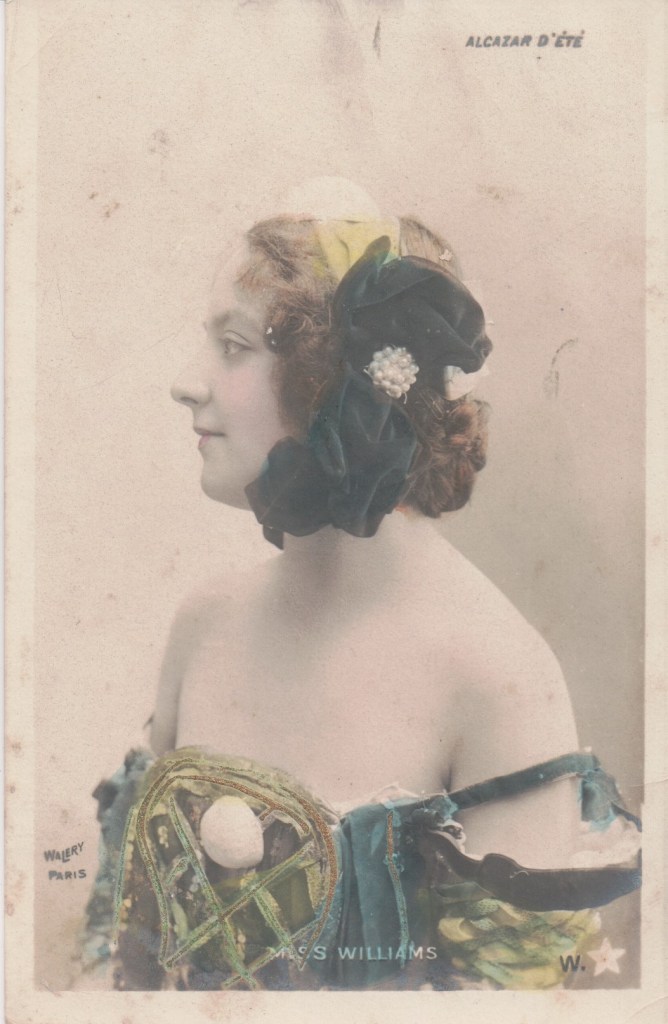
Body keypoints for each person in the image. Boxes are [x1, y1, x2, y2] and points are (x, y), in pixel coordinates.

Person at [82, 180, 640, 991]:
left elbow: (516, 998)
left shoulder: (498, 674)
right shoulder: (204, 623)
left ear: (330, 381)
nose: (186, 382)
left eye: (232, 346)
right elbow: (120, 950)